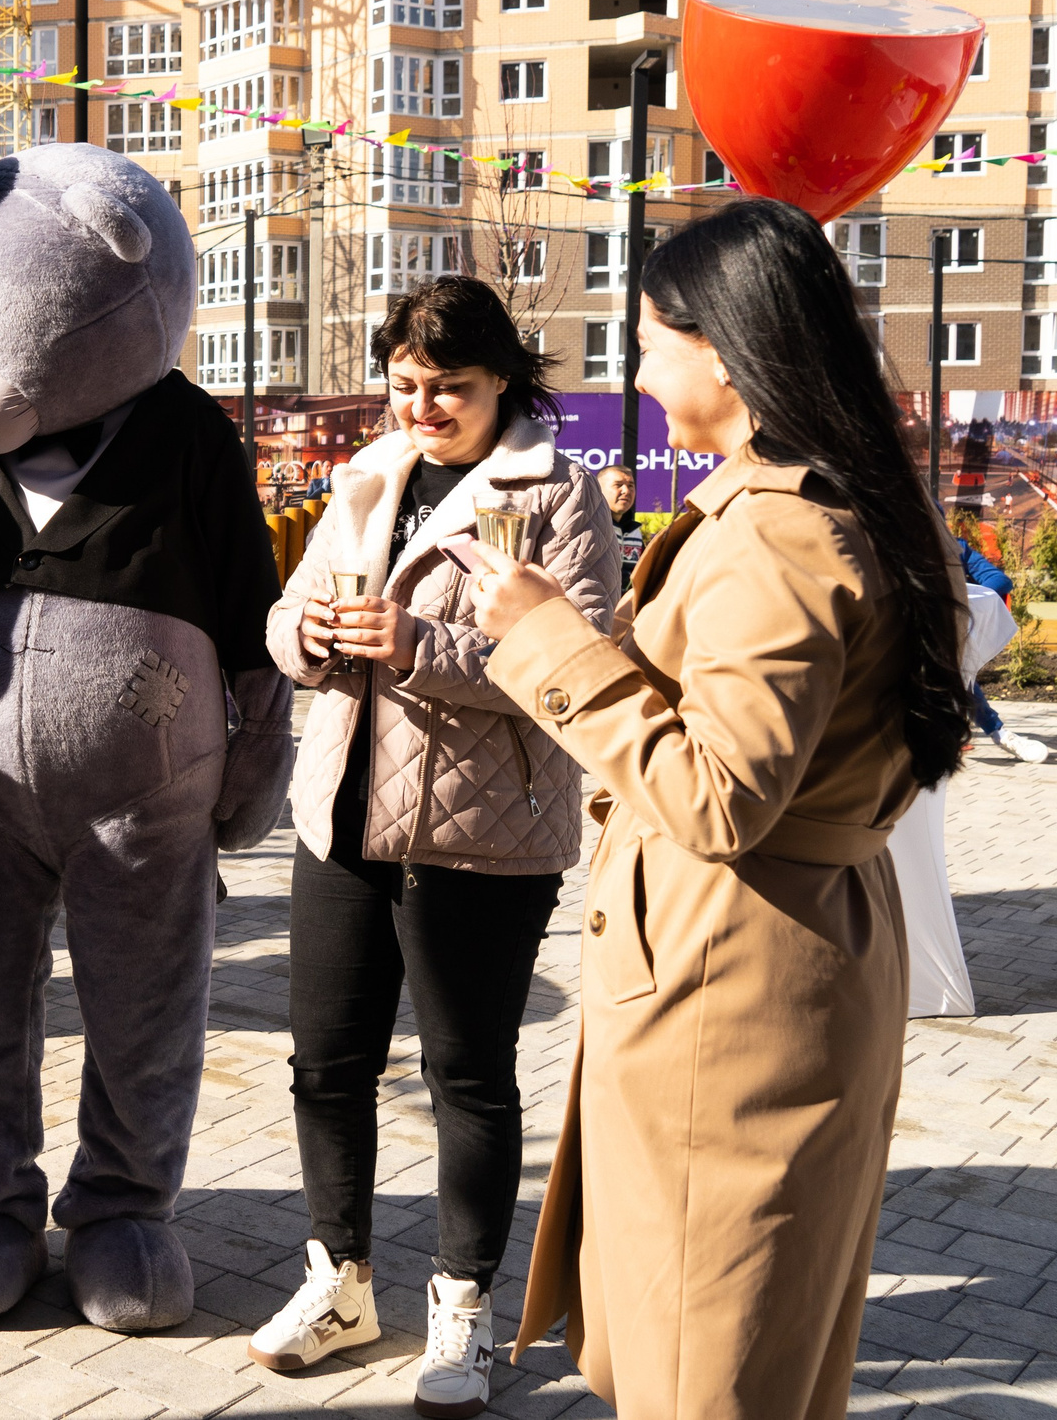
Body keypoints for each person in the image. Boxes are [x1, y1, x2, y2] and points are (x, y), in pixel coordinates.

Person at [463, 198, 972, 1420]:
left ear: (725, 352)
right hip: (784, 945)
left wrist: (545, 642)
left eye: (646, 340)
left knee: (713, 1352)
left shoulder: (776, 535)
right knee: (754, 1335)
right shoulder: (834, 503)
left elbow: (721, 792)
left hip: (733, 974)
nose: (631, 369)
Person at [251, 276, 619, 1415]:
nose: (419, 407)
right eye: (403, 385)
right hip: (342, 813)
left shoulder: (560, 493)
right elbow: (284, 618)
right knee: (326, 1067)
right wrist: (305, 636)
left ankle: (462, 1305)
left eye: (446, 389)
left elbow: (582, 658)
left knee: (467, 1078)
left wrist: (418, 645)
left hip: (483, 832)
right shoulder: (370, 475)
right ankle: (338, 1278)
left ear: (501, 377)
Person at [954, 532, 1049, 762]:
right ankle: (993, 731)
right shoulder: (890, 544)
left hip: (944, 632)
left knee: (959, 669)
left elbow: (999, 580)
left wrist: (965, 598)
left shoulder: (956, 546)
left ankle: (998, 733)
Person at [596, 464, 644, 589]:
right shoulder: (588, 527)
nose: (626, 491)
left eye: (630, 485)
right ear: (599, 490)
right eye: (618, 485)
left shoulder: (636, 531)